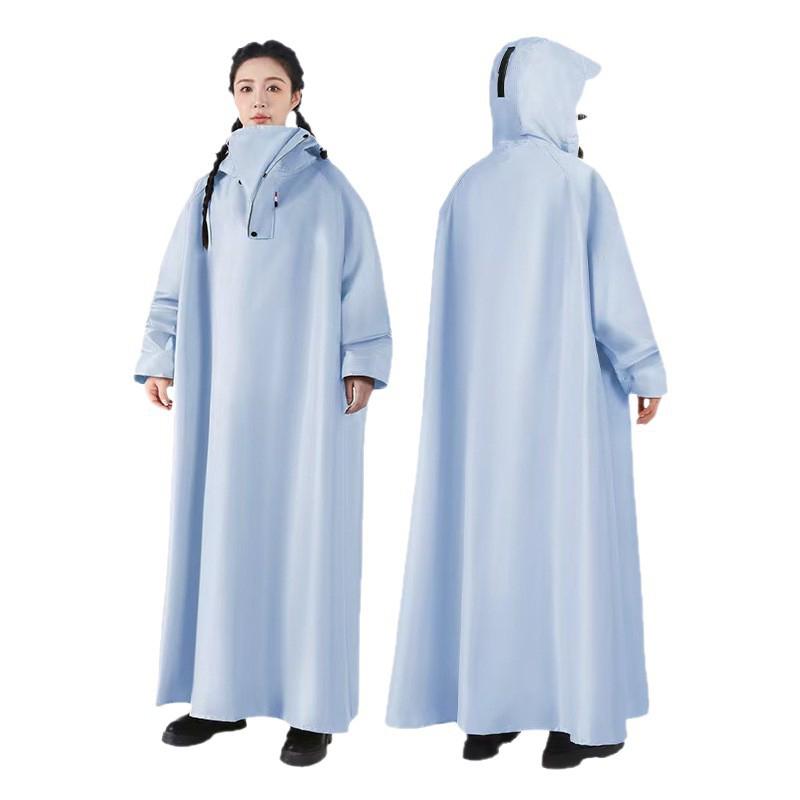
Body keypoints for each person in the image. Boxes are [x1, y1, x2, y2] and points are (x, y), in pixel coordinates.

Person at [385, 37, 667, 769]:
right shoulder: (576, 185)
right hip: (565, 404)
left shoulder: (466, 190)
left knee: (492, 543)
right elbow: (611, 296)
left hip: (481, 415)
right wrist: (644, 368)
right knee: (569, 542)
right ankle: (580, 720)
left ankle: (489, 715)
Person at [133, 39, 392, 767]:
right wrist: (161, 354)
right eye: (246, 87)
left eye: (273, 87)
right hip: (226, 396)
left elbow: (360, 278)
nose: (258, 99)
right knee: (226, 533)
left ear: (296, 98)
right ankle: (219, 697)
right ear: (232, 97)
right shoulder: (210, 189)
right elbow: (175, 281)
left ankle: (311, 710)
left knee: (307, 534)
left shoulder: (328, 187)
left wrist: (362, 361)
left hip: (309, 393)